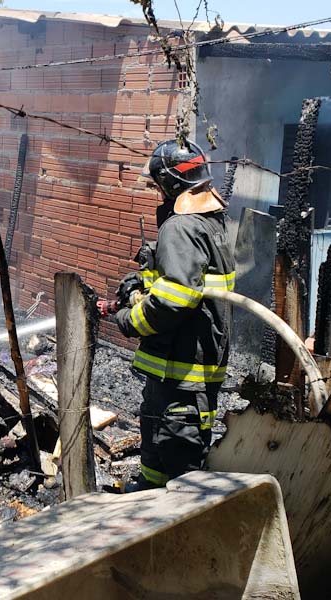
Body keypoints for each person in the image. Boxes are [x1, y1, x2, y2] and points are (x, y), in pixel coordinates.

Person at [109, 138, 235, 490]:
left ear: (169, 183)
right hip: (188, 372)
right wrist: (142, 280)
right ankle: (149, 502)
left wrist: (128, 321)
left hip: (181, 376)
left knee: (182, 470)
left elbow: (173, 300)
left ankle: (171, 532)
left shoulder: (181, 228)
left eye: (157, 185)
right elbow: (185, 284)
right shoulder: (211, 223)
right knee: (158, 457)